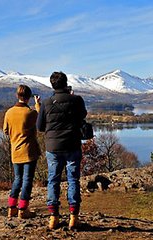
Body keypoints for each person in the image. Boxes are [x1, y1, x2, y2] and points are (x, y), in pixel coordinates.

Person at [37, 71, 87, 230]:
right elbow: (82, 117)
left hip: (53, 147)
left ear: (52, 85)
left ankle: (54, 218)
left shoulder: (46, 103)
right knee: (73, 179)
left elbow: (39, 127)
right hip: (72, 145)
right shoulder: (76, 100)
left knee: (53, 180)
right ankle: (74, 217)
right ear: (66, 83)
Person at [3, 85, 41, 219]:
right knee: (27, 180)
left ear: (17, 96)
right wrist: (38, 105)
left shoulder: (9, 112)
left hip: (15, 151)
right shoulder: (30, 112)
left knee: (17, 179)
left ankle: (11, 208)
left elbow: (6, 131)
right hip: (29, 151)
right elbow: (41, 121)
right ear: (29, 97)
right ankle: (23, 209)